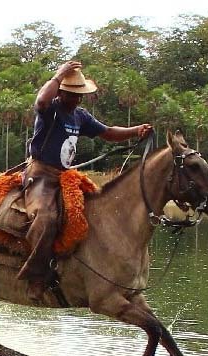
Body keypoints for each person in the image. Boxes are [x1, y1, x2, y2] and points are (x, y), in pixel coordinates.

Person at [16, 60, 153, 299]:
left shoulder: (80, 116)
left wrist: (135, 130)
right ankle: (36, 276)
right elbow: (40, 101)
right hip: (41, 176)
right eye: (73, 95)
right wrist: (58, 75)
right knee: (46, 218)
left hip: (65, 176)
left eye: (80, 95)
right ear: (61, 92)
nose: (77, 99)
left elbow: (108, 133)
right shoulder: (51, 110)